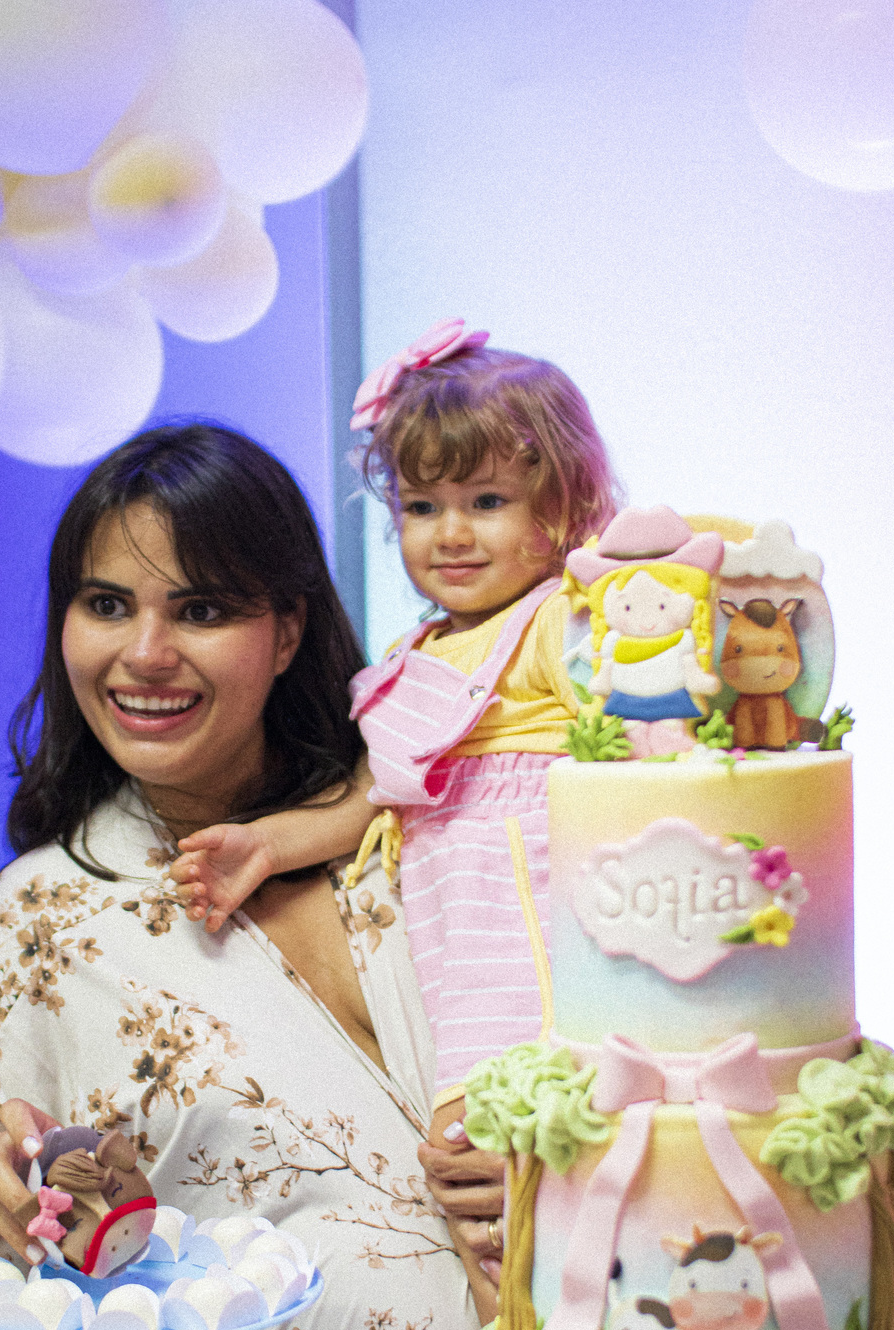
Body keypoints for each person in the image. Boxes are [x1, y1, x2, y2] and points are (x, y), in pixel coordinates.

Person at [0, 423, 502, 1330]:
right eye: (107, 604)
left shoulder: (439, 819)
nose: (146, 653)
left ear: (288, 630)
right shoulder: (41, 916)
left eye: (203, 609)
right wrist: (4, 1201)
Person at [172, 321, 619, 1160]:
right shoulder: (418, 653)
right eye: (422, 507)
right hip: (455, 932)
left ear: (565, 505)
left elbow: (641, 745)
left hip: (541, 913)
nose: (450, 533)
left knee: (555, 1121)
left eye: (486, 502)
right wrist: (265, 845)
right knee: (467, 1129)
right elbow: (380, 796)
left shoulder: (563, 619)